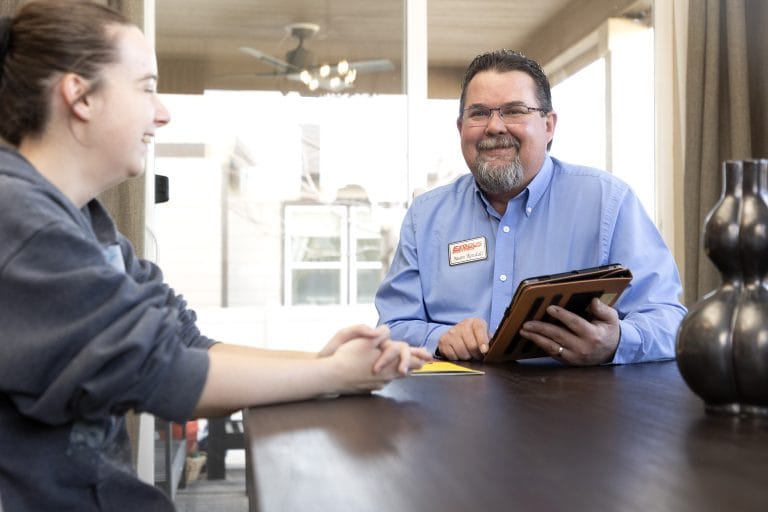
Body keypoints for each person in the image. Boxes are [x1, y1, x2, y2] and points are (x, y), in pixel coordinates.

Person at [0, 2, 431, 511]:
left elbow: (180, 339)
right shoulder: (19, 218)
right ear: (80, 96)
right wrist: (334, 375)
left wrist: (326, 362)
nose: (162, 112)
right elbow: (162, 372)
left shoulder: (86, 221)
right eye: (146, 86)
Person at [375, 49, 686, 366]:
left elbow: (670, 320)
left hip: (577, 407)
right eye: (479, 113)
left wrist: (616, 341)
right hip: (458, 406)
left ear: (549, 125)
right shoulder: (425, 216)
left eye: (514, 111)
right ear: (460, 128)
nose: (494, 127)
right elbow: (392, 327)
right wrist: (439, 339)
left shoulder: (608, 203)